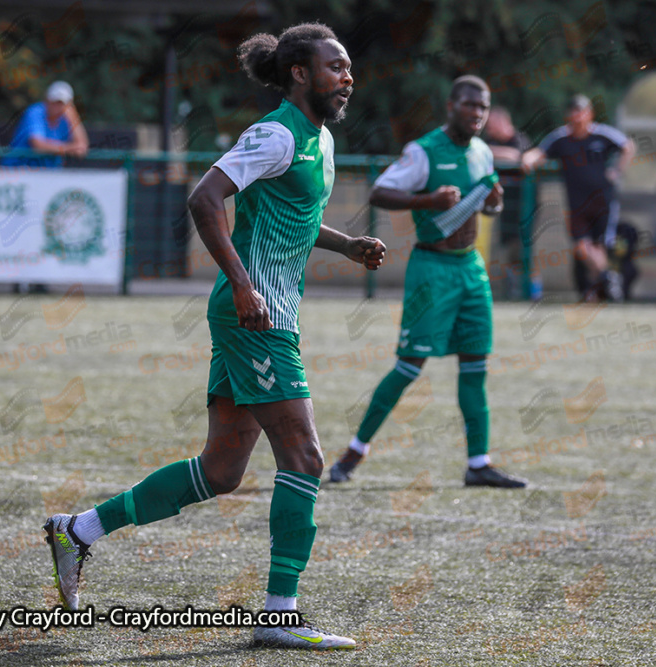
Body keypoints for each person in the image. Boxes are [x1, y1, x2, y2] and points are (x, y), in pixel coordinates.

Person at [43, 24, 386, 650]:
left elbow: (296, 216)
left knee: (222, 471)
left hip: (266, 313)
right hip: (256, 318)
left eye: (348, 66)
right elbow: (207, 198)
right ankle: (280, 616)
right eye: (335, 67)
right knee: (306, 458)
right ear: (300, 75)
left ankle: (79, 529)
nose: (347, 77)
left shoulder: (321, 140)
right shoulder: (276, 132)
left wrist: (349, 245)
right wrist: (242, 285)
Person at [328, 75, 527, 489]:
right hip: (431, 269)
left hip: (471, 269)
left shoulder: (481, 151)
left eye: (483, 107)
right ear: (451, 106)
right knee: (408, 366)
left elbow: (490, 207)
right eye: (469, 105)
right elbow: (379, 193)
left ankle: (478, 463)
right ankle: (354, 452)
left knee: (475, 367)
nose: (477, 113)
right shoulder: (423, 151)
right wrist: (427, 200)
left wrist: (493, 203)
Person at [522, 95, 635, 302]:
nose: (578, 117)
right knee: (582, 248)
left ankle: (596, 292)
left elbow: (628, 146)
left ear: (589, 114)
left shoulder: (602, 134)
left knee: (599, 247)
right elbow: (539, 153)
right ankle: (608, 278)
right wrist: (527, 159)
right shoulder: (561, 138)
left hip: (603, 202)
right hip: (576, 205)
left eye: (582, 112)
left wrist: (617, 171)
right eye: (574, 112)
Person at [2, 80, 88, 293]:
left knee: (44, 229)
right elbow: (38, 144)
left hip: (45, 183)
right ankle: (20, 280)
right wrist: (68, 149)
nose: (58, 107)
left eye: (64, 104)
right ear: (47, 101)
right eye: (55, 102)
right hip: (19, 180)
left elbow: (83, 147)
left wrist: (74, 117)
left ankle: (39, 278)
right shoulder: (36, 112)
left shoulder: (66, 119)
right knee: (22, 230)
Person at [482, 106, 534, 299]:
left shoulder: (519, 139)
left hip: (524, 207)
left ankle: (530, 291)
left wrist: (487, 150)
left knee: (522, 249)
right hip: (501, 208)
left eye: (492, 125)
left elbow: (516, 156)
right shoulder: (491, 141)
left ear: (503, 122)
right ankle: (511, 290)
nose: (489, 130)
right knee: (506, 247)